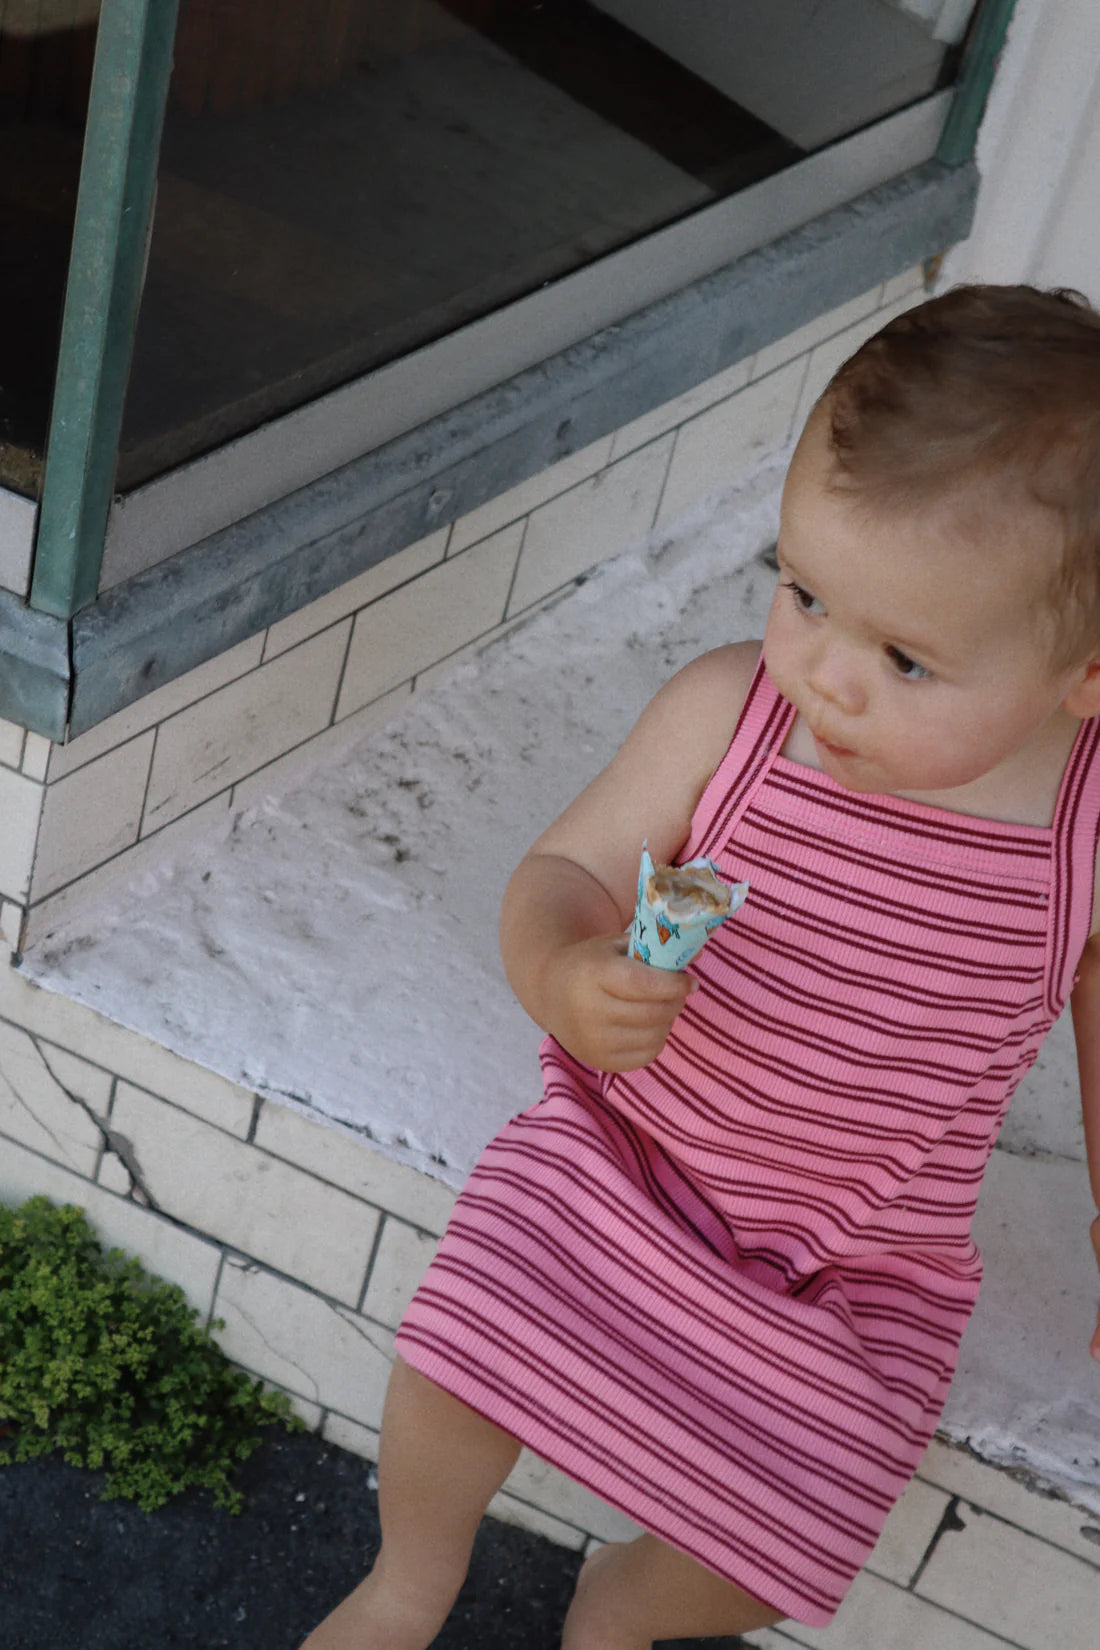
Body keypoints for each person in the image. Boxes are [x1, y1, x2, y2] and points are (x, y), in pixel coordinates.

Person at [300, 284, 1100, 1650]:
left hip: (859, 1261)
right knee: (462, 1349)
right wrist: (565, 976)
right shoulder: (732, 719)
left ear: (1084, 675)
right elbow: (560, 875)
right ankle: (408, 1577)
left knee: (794, 1526)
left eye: (905, 658)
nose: (826, 674)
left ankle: (622, 1611)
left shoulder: (1081, 832)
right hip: (628, 1152)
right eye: (800, 592)